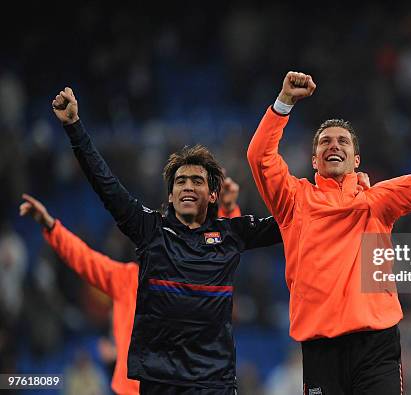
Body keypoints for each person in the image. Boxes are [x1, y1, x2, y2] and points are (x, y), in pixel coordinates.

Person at [247, 71, 411, 394]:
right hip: (321, 348)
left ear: (356, 159)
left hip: (375, 345)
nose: (333, 146)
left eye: (343, 142)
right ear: (314, 160)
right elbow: (259, 157)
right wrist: (284, 104)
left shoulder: (377, 201)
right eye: (325, 141)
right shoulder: (293, 200)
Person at [51, 87, 282, 394]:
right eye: (180, 181)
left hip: (213, 383)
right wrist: (74, 127)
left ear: (212, 194)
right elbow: (105, 183)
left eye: (197, 180)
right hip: (159, 381)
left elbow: (294, 220)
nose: (187, 187)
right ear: (171, 195)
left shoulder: (231, 234)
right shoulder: (150, 229)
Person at [18, 178, 245, 394]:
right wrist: (51, 226)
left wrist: (228, 209)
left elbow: (221, 252)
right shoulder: (127, 278)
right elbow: (83, 258)